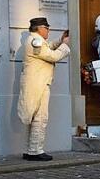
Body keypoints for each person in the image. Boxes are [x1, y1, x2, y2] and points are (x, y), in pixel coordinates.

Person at [17, 17, 70, 161]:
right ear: (39, 28)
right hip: (37, 84)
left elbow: (48, 47)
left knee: (37, 118)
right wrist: (64, 46)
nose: (48, 30)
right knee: (40, 118)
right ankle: (35, 151)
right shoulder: (35, 41)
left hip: (38, 83)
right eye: (46, 28)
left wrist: (60, 40)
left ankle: (33, 149)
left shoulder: (37, 41)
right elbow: (52, 56)